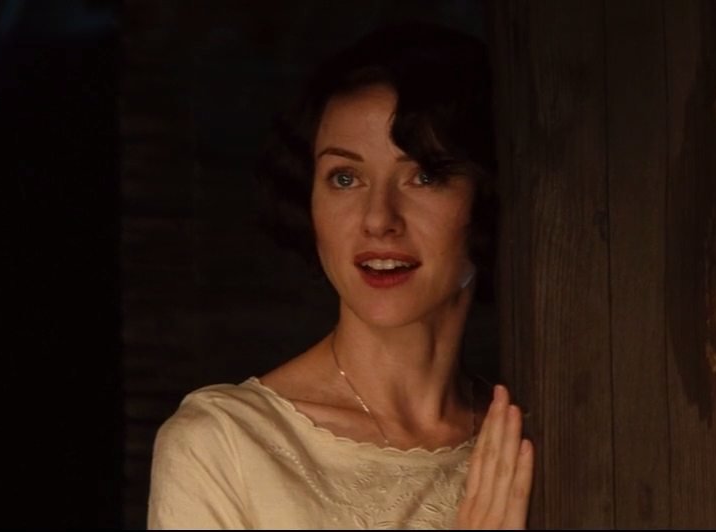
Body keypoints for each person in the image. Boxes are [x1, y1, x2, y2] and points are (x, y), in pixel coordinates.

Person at [147, 23, 533, 529]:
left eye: (424, 176)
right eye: (345, 178)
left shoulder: (532, 440)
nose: (378, 218)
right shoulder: (224, 444)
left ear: (488, 195)